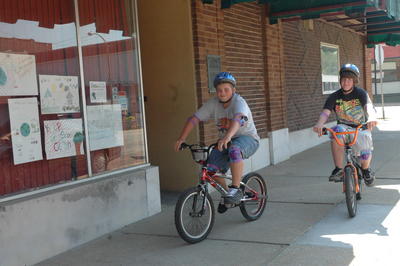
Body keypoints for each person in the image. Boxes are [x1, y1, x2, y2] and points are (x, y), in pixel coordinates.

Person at [174, 72, 260, 213]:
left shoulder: (239, 102)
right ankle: (228, 197)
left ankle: (235, 189)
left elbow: (239, 119)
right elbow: (194, 119)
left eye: (226, 89)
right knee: (211, 170)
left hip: (248, 139)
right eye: (219, 90)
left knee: (234, 149)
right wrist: (181, 138)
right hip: (226, 141)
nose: (222, 93)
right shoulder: (213, 104)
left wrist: (227, 137)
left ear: (233, 90)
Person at [313, 63, 378, 186]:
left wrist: (372, 118)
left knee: (365, 155)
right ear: (340, 80)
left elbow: (368, 107)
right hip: (344, 128)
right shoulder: (334, 96)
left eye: (349, 79)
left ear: (354, 81)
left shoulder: (361, 93)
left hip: (360, 127)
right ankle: (338, 169)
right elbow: (325, 113)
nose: (346, 82)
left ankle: (365, 170)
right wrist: (319, 124)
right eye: (343, 79)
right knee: (336, 131)